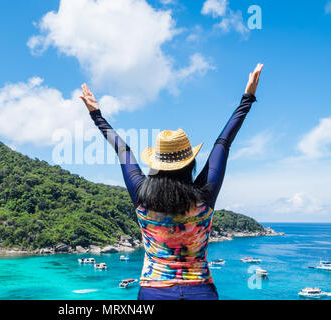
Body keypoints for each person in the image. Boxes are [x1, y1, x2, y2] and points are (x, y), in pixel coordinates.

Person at [79, 63, 264, 300]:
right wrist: (247, 98)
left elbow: (123, 150)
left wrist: (97, 115)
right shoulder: (204, 197)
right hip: (200, 291)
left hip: (153, 292)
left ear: (156, 163)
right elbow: (223, 143)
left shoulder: (142, 196)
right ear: (189, 163)